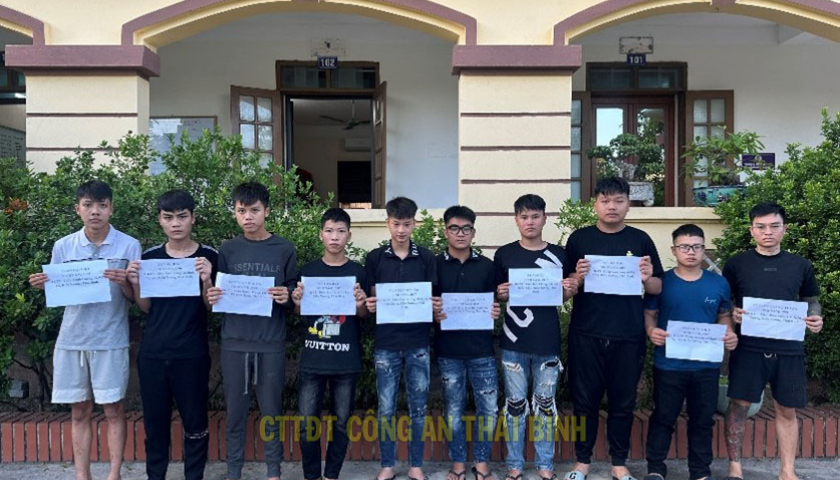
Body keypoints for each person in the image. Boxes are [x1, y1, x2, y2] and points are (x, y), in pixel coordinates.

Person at [29, 180, 141, 480]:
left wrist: (125, 282)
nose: (95, 212)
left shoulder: (129, 245)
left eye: (102, 206)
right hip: (72, 339)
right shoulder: (64, 246)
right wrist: (43, 284)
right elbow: (59, 291)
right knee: (79, 410)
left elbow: (135, 297)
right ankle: (82, 475)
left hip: (111, 338)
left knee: (114, 409)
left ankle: (114, 474)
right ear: (77, 209)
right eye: (88, 205)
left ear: (111, 209)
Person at [564, 177, 664, 480]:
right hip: (586, 333)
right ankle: (582, 462)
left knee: (623, 402)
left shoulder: (641, 239)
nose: (612, 206)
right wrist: (577, 277)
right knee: (584, 402)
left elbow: (658, 287)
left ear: (628, 204)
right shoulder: (579, 239)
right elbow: (565, 289)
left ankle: (619, 463)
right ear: (595, 204)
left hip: (628, 335)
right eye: (605, 200)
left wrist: (647, 277)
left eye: (618, 201)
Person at [722, 203, 823, 480]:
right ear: (751, 230)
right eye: (761, 226)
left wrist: (816, 318)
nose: (768, 232)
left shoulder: (800, 265)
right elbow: (724, 302)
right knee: (739, 406)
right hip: (748, 347)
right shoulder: (736, 264)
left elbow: (811, 301)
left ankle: (787, 471)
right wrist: (732, 312)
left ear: (784, 229)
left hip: (789, 348)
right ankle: (735, 469)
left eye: (774, 226)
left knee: (787, 409)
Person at [206, 181, 297, 480]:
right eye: (241, 211)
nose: (248, 217)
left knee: (272, 413)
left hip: (270, 342)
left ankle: (273, 472)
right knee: (235, 414)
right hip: (234, 341)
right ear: (234, 212)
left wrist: (287, 296)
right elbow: (220, 292)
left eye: (254, 210)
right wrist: (213, 294)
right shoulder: (228, 249)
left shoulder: (284, 248)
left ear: (267, 211)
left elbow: (294, 292)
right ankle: (234, 471)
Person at [126, 190, 216, 480]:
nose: (175, 223)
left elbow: (212, 306)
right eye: (168, 217)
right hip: (153, 353)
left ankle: (194, 476)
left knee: (196, 424)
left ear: (193, 218)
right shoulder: (150, 257)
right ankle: (156, 475)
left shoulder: (209, 256)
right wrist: (135, 282)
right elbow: (145, 307)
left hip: (191, 353)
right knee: (155, 425)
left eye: (182, 216)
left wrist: (207, 279)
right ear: (160, 221)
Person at [642, 224, 738, 480]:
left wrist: (728, 333)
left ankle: (700, 472)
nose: (691, 252)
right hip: (669, 364)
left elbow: (724, 315)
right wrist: (651, 331)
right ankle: (655, 468)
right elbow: (649, 314)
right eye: (684, 247)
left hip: (706, 365)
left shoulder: (718, 283)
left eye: (696, 246)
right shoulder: (662, 283)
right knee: (663, 416)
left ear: (703, 249)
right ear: (674, 250)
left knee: (702, 420)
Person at [494, 194, 578, 480]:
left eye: (535, 216)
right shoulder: (504, 254)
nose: (529, 222)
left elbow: (563, 294)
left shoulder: (559, 255)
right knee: (514, 406)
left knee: (545, 406)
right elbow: (495, 294)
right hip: (513, 341)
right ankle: (514, 466)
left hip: (547, 340)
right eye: (524, 217)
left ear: (545, 218)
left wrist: (569, 291)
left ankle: (545, 465)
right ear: (516, 220)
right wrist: (499, 293)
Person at [290, 207, 368, 480]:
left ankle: (332, 474)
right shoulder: (308, 271)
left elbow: (363, 315)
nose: (335, 237)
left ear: (349, 236)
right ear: (320, 235)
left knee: (342, 424)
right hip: (313, 359)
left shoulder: (358, 272)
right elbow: (300, 312)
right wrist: (297, 302)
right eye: (329, 231)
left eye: (340, 231)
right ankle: (312, 475)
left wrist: (360, 304)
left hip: (346, 360)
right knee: (306, 425)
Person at [365, 197, 437, 480]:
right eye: (396, 224)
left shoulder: (427, 258)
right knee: (386, 408)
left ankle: (415, 464)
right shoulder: (375, 257)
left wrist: (434, 305)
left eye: (407, 224)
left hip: (418, 341)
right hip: (386, 343)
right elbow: (370, 296)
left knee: (418, 406)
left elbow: (433, 297)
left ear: (414, 224)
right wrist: (371, 304)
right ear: (387, 223)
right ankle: (388, 464)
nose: (401, 230)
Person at [432, 205, 501, 480]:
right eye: (454, 228)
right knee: (453, 410)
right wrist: (433, 311)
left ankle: (482, 462)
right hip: (448, 350)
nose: (460, 233)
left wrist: (495, 310)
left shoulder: (487, 266)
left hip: (481, 349)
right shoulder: (434, 265)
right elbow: (426, 303)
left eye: (466, 228)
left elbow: (495, 300)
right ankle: (458, 463)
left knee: (489, 409)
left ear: (473, 232)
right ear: (445, 231)